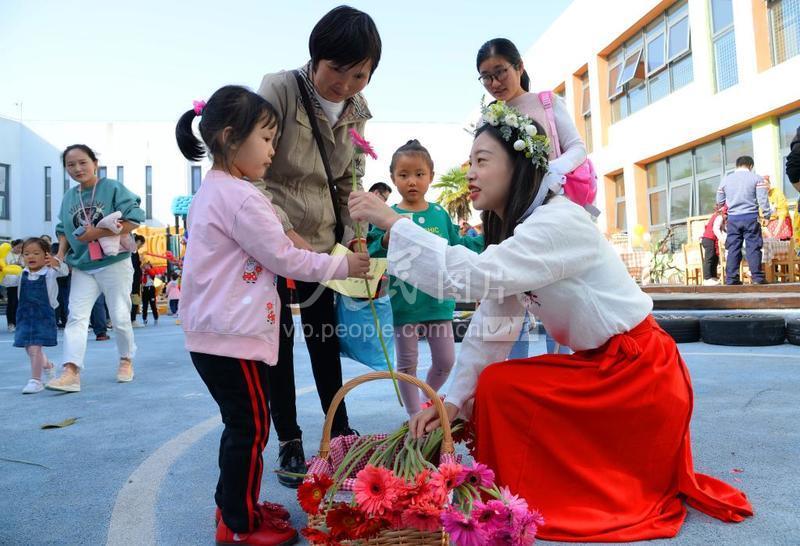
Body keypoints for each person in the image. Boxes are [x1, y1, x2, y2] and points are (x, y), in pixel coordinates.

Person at [349, 104, 753, 541]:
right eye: (470, 162)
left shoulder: (558, 221)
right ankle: (519, 491)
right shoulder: (525, 231)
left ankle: (533, 494)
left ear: (518, 166)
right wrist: (452, 402)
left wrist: (395, 223)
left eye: (482, 161)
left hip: (639, 375)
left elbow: (472, 276)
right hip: (606, 368)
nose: (470, 173)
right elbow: (492, 327)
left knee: (502, 388)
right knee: (497, 385)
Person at [175, 84, 369, 546]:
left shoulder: (218, 191)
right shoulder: (241, 198)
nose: (273, 149)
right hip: (230, 335)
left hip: (217, 334)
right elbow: (286, 257)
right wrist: (343, 264)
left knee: (245, 423)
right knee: (250, 426)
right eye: (266, 139)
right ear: (229, 137)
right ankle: (239, 525)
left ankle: (235, 506)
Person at [255, 5, 382, 487]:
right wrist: (281, 232)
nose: (346, 84)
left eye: (360, 75)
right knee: (279, 343)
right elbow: (256, 168)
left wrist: (355, 233)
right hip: (273, 236)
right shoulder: (280, 88)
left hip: (327, 242)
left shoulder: (359, 109)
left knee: (324, 342)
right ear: (316, 57)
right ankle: (289, 440)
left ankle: (340, 433)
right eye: (337, 70)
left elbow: (352, 175)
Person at [477, 37, 587, 354]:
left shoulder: (546, 102)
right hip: (506, 220)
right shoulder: (488, 118)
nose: (495, 82)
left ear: (519, 66)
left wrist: (548, 172)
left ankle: (562, 377)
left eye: (500, 72)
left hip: (549, 214)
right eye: (486, 76)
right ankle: (513, 380)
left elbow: (578, 148)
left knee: (558, 294)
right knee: (508, 300)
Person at [367, 140, 484, 416]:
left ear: (431, 176)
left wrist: (486, 240)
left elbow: (457, 244)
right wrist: (385, 237)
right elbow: (373, 249)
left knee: (445, 360)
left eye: (419, 174)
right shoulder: (388, 215)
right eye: (404, 174)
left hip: (438, 300)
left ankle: (425, 404)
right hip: (404, 304)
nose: (412, 181)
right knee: (407, 364)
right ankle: (414, 418)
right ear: (393, 177)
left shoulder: (439, 213)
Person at [46, 144, 145, 393]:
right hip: (83, 265)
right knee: (76, 317)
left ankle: (126, 359)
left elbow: (134, 218)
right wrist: (59, 255)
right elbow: (63, 230)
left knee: (121, 317)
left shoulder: (111, 187)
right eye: (70, 165)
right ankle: (71, 370)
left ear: (94, 163)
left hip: (114, 263)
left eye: (82, 162)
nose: (77, 168)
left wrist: (97, 233)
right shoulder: (69, 196)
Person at [13, 238, 69, 394]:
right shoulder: (21, 273)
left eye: (36, 253)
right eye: (26, 254)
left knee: (35, 347)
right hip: (24, 316)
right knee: (29, 348)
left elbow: (64, 270)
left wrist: (56, 262)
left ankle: (36, 380)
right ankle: (48, 366)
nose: (31, 257)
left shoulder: (50, 272)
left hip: (43, 315)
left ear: (46, 255)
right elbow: (8, 281)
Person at [716, 156, 772, 284]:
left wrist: (724, 212)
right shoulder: (757, 178)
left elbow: (719, 201)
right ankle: (757, 278)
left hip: (733, 219)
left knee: (734, 247)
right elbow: (763, 200)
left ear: (737, 165)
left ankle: (731, 279)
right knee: (753, 247)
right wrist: (767, 216)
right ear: (750, 166)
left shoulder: (726, 180)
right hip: (751, 217)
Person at [700, 204, 727, 285]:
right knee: (710, 258)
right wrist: (723, 240)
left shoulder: (717, 215)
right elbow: (716, 229)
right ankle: (707, 278)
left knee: (714, 258)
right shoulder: (719, 217)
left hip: (710, 239)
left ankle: (713, 276)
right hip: (709, 239)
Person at [763, 175, 793, 240]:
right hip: (768, 224)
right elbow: (760, 217)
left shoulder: (777, 192)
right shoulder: (759, 197)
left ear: (769, 184)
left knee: (784, 245)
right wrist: (764, 229)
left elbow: (782, 210)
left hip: (781, 221)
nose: (765, 187)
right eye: (762, 185)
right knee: (771, 246)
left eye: (766, 184)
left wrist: (778, 228)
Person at [3, 239, 23, 332]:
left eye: (21, 247)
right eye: (18, 247)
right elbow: (3, 267)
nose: (20, 249)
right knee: (12, 303)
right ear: (13, 246)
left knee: (20, 303)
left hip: (21, 281)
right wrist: (14, 265)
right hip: (11, 282)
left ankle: (18, 322)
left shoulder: (23, 255)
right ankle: (10, 323)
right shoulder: (7, 254)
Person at [130, 234, 144, 327]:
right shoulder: (133, 251)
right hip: (134, 279)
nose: (141, 246)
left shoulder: (131, 250)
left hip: (133, 278)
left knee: (133, 298)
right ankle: (132, 319)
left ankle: (132, 318)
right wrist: (140, 261)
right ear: (138, 241)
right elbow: (135, 265)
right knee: (135, 297)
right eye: (141, 244)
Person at [140, 262, 159, 326]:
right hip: (144, 289)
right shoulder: (142, 273)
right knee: (144, 305)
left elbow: (152, 274)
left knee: (153, 304)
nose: (146, 267)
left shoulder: (152, 271)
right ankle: (144, 318)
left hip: (151, 288)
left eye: (148, 266)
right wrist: (143, 271)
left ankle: (156, 318)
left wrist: (147, 268)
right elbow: (140, 280)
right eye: (145, 266)